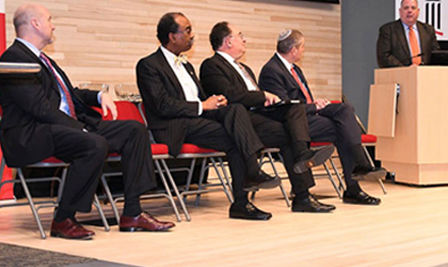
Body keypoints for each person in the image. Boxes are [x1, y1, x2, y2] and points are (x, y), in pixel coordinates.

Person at [0, 4, 174, 239]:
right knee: (93, 143)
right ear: (35, 24)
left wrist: (99, 96)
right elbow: (39, 108)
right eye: (49, 19)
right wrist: (79, 128)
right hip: (32, 134)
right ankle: (63, 219)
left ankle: (133, 212)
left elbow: (68, 94)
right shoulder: (14, 58)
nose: (54, 25)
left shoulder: (43, 59)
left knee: (134, 130)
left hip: (63, 128)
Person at [136, 12, 298, 220]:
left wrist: (215, 101)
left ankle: (247, 185)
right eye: (187, 31)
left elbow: (198, 97)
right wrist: (203, 105)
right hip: (173, 125)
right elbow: (162, 105)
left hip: (198, 119)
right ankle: (246, 187)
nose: (192, 35)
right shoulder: (148, 65)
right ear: (172, 36)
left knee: (235, 111)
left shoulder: (186, 65)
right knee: (235, 135)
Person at [200, 21, 337, 213]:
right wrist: (263, 96)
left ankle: (303, 194)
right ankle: (296, 169)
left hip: (257, 117)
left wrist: (267, 101)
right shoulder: (212, 65)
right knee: (290, 128)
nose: (244, 39)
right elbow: (229, 95)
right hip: (238, 121)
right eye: (240, 35)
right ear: (228, 41)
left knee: (293, 114)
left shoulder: (244, 68)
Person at [259, 29, 385, 205]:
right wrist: (313, 106)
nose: (303, 51)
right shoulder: (271, 70)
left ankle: (358, 171)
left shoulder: (295, 69)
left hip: (308, 115)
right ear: (293, 50)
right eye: (302, 47)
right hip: (294, 124)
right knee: (343, 127)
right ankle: (355, 181)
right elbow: (283, 108)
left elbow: (301, 100)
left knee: (345, 109)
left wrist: (314, 104)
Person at [377, 0, 440, 68]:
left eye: (413, 8)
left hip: (425, 76)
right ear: (400, 11)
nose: (410, 11)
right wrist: (406, 69)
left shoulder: (428, 30)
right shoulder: (388, 30)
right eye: (406, 8)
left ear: (418, 11)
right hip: (399, 76)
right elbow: (384, 56)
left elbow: (436, 54)